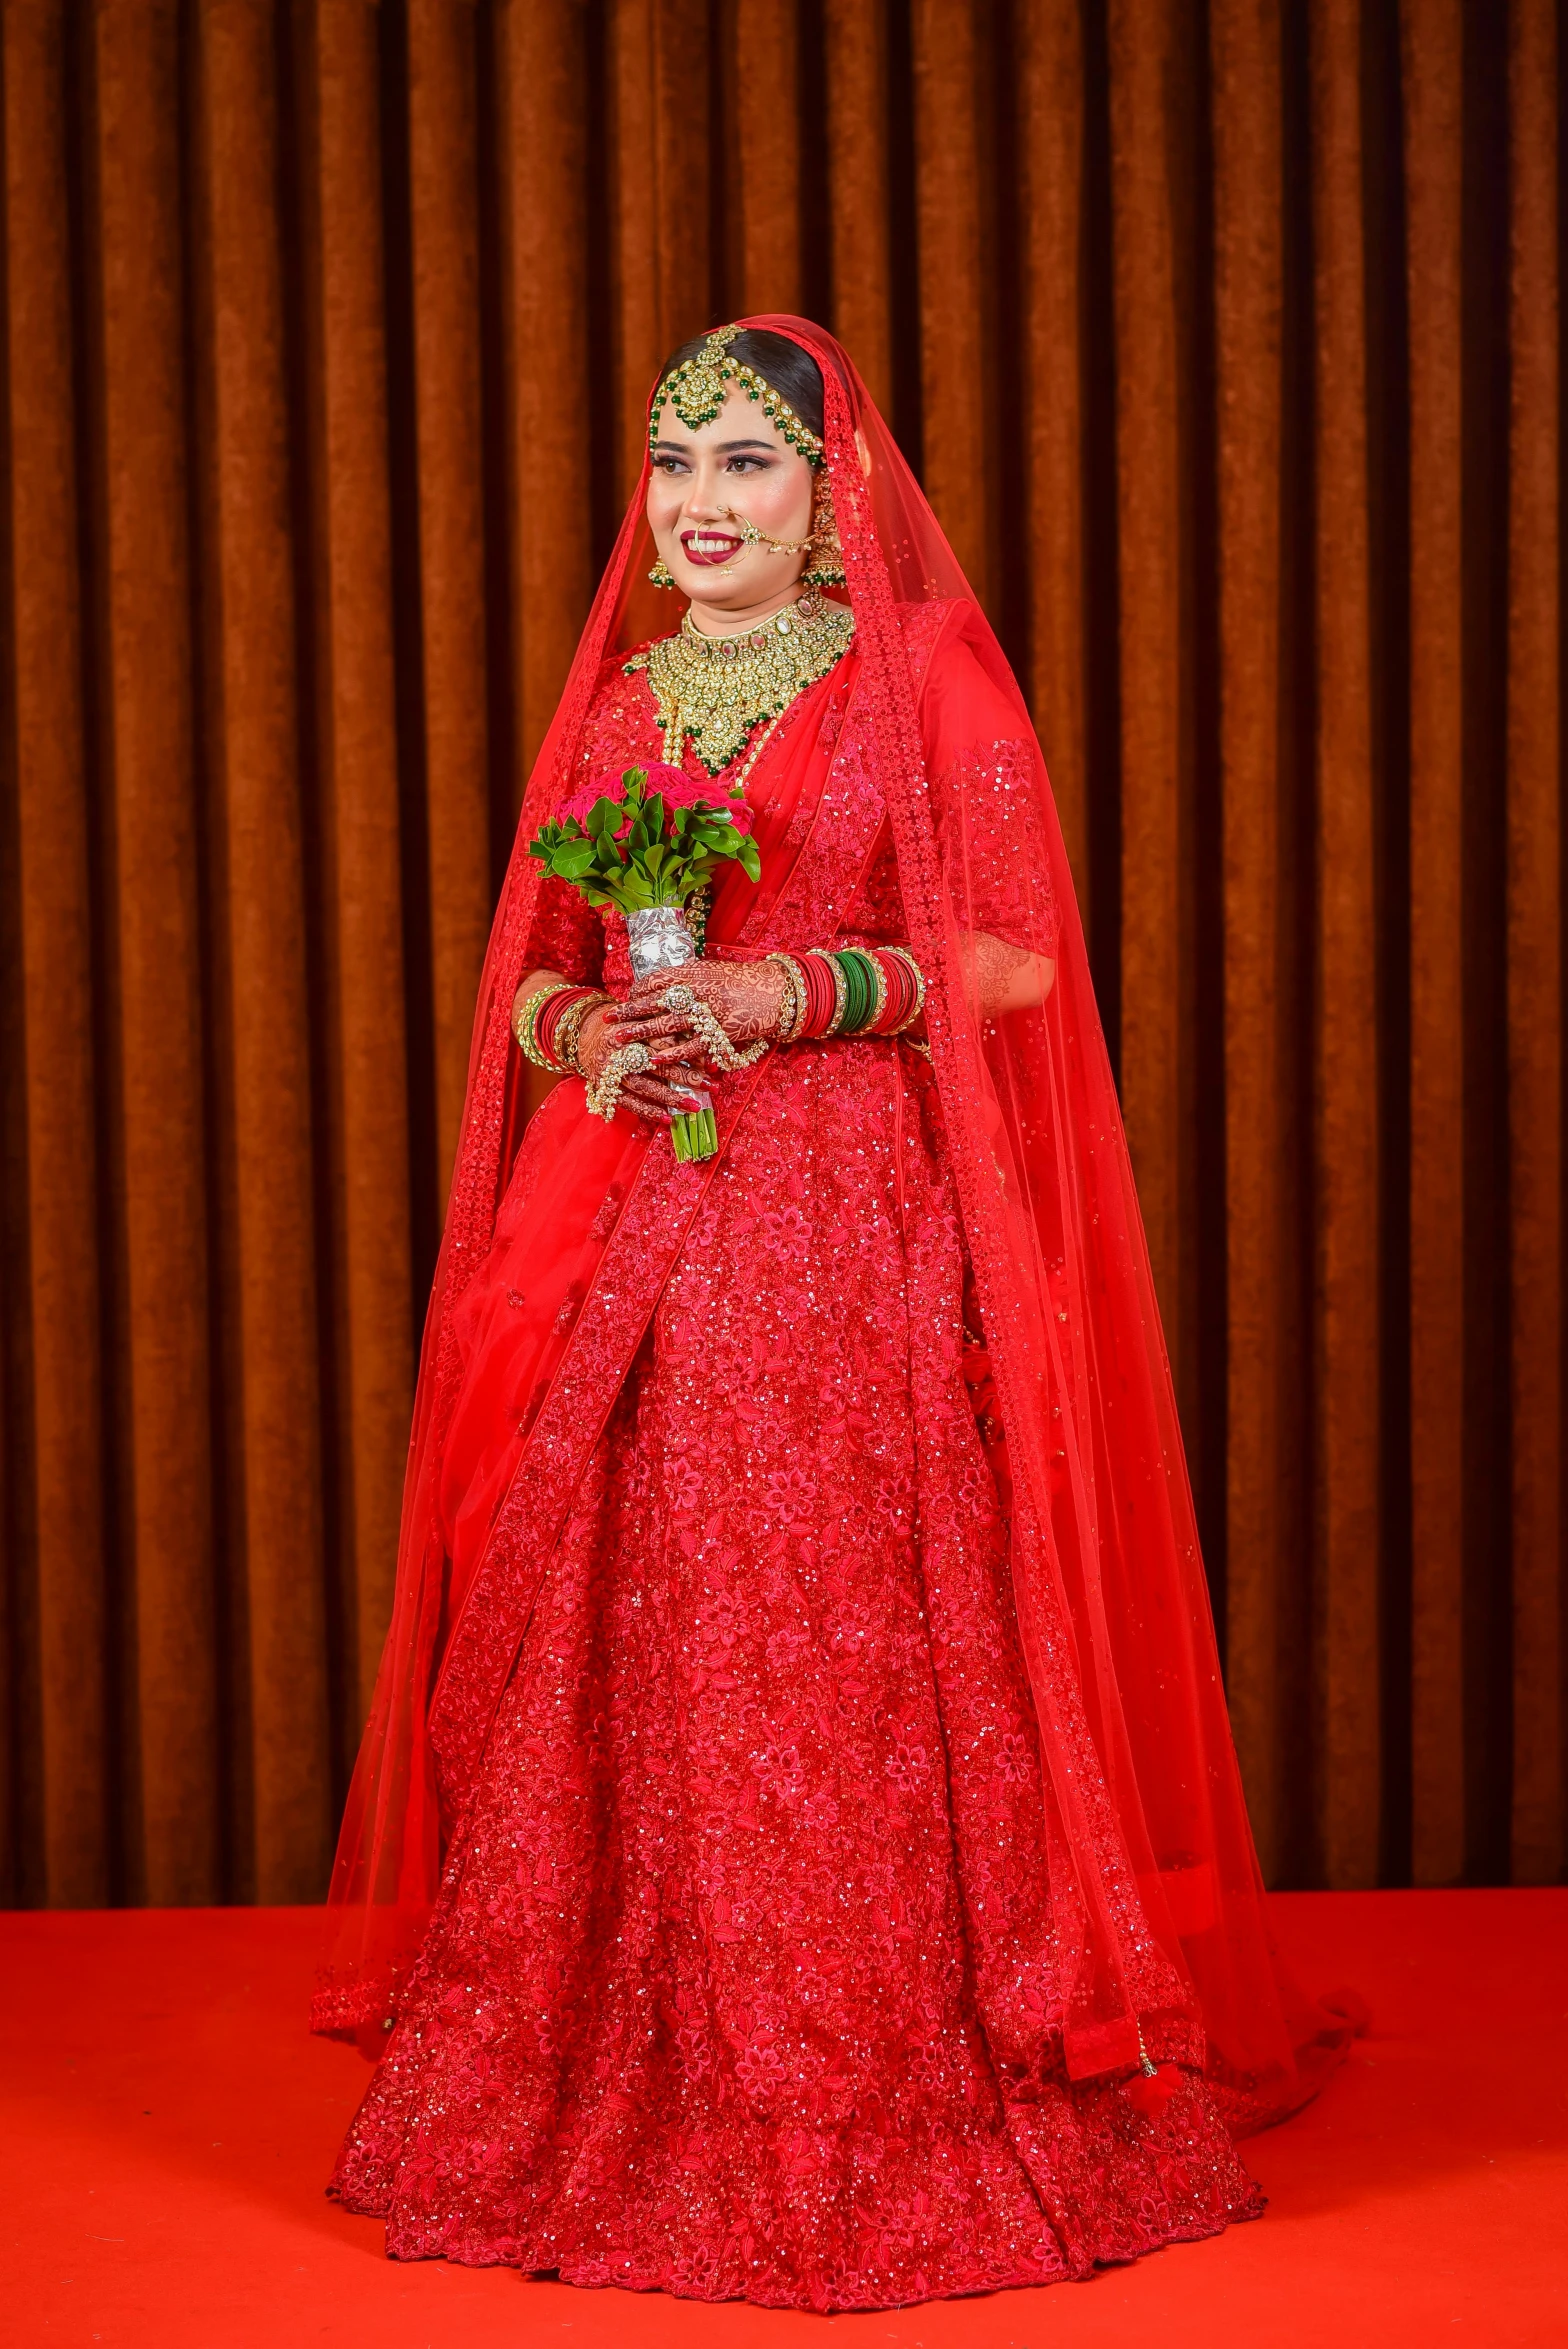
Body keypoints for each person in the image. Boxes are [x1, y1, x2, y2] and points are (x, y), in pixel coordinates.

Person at [316, 318, 1353, 2311]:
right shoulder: (620, 710)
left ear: (833, 494)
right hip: (638, 1218)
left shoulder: (923, 686)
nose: (700, 505)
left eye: (745, 466)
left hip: (852, 1222)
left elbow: (1026, 965)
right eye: (673, 465)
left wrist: (800, 995)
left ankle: (885, 2084)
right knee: (645, 1603)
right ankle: (641, 2052)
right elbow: (528, 983)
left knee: (849, 1618)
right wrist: (596, 1035)